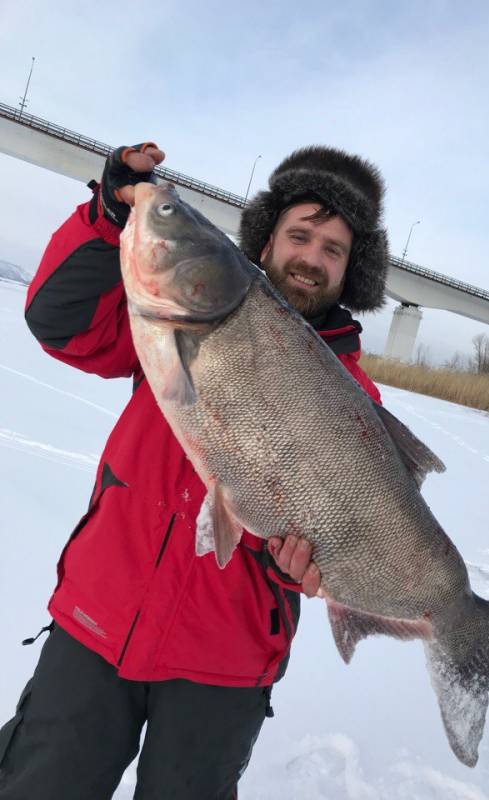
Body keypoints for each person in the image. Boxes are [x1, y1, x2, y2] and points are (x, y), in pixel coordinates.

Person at [0, 143, 390, 799]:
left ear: (351, 271)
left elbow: (337, 531)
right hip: (98, 617)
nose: (312, 258)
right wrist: (105, 215)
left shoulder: (353, 401)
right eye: (301, 234)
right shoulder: (179, 308)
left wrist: (302, 560)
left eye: (333, 248)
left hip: (225, 660)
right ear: (267, 238)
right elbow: (60, 322)